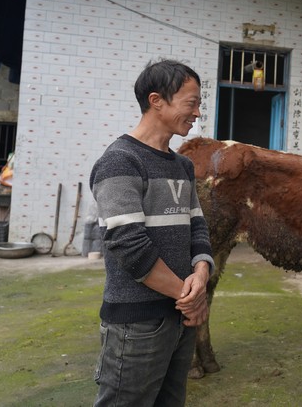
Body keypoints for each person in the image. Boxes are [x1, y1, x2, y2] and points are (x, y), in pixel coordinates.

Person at [90, 59, 215, 406]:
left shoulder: (183, 166)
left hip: (180, 320)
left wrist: (201, 274)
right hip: (137, 325)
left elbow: (198, 228)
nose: (197, 112)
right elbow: (127, 244)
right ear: (157, 100)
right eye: (191, 103)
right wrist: (191, 298)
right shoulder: (120, 160)